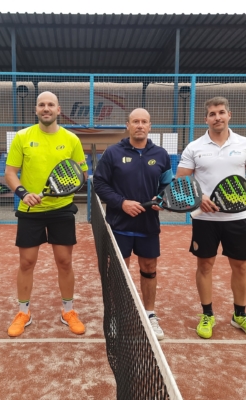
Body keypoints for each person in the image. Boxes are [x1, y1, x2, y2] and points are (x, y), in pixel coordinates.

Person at [175, 96, 246, 340]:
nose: (217, 117)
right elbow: (182, 179)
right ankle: (207, 314)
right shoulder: (194, 147)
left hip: (237, 218)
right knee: (205, 266)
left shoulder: (245, 143)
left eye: (221, 112)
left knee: (241, 266)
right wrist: (199, 197)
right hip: (204, 220)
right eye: (212, 114)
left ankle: (240, 315)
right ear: (206, 119)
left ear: (229, 115)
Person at [4, 91, 88, 337]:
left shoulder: (71, 139)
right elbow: (10, 173)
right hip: (30, 210)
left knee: (64, 262)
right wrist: (23, 193)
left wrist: (63, 188)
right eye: (41, 104)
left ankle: (68, 311)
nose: (46, 108)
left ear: (58, 110)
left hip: (61, 210)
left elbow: (81, 174)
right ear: (36, 109)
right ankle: (23, 312)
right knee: (26, 262)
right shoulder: (22, 137)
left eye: (51, 104)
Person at [93, 108, 173, 340]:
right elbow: (99, 183)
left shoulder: (161, 154)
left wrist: (162, 200)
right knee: (120, 272)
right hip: (119, 224)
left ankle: (150, 314)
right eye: (135, 121)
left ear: (150, 126)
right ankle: (117, 314)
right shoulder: (113, 153)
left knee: (149, 268)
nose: (140, 125)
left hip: (148, 225)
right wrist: (122, 203)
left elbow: (167, 186)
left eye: (144, 121)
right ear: (127, 125)